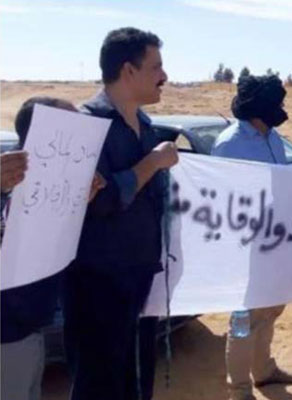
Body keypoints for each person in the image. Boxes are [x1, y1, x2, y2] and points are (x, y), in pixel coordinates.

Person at [62, 27, 178, 400]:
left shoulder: (145, 126)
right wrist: (153, 162)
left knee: (137, 381)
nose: (165, 76)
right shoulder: (84, 127)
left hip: (141, 278)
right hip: (98, 286)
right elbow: (99, 201)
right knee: (100, 384)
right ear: (129, 71)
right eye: (156, 66)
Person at [1, 96, 106, 400]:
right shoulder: (7, 177)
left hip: (32, 326)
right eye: (73, 124)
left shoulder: (48, 183)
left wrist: (75, 204)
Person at [211, 74, 292, 400]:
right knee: (243, 318)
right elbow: (221, 200)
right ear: (261, 105)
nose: (282, 107)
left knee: (270, 308)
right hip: (245, 247)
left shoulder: (274, 138)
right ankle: (239, 389)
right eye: (277, 102)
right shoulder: (229, 143)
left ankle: (264, 370)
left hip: (277, 241)